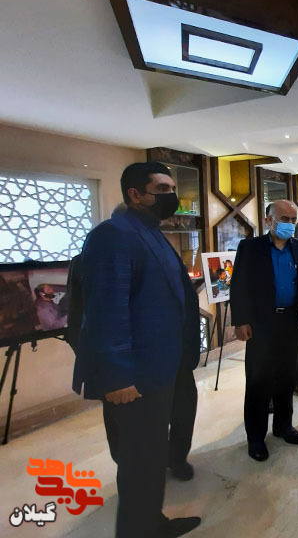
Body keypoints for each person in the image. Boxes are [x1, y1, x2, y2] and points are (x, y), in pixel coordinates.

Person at [72, 162, 200, 538]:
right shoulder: (113, 235)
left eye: (172, 187)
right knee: (140, 462)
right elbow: (105, 311)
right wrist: (117, 377)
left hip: (161, 367)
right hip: (136, 376)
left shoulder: (150, 232)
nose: (171, 195)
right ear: (135, 194)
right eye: (162, 188)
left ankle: (151, 522)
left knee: (149, 460)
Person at [230, 200, 298, 462]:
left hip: (291, 321)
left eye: (293, 220)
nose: (289, 224)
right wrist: (240, 321)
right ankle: (256, 437)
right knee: (258, 380)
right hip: (260, 323)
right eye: (284, 219)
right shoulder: (251, 248)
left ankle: (283, 426)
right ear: (269, 220)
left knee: (287, 376)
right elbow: (239, 285)